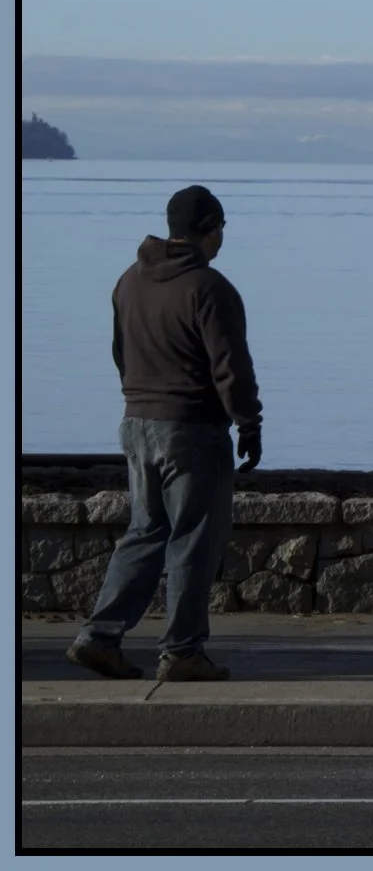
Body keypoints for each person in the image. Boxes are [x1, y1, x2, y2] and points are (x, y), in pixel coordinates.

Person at [66, 185, 263, 683]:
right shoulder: (209, 288)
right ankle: (182, 651)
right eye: (221, 229)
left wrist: (141, 400)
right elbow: (231, 368)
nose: (222, 239)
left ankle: (99, 637)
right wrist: (249, 422)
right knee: (194, 540)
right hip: (192, 428)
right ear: (210, 229)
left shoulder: (128, 282)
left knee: (145, 532)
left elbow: (119, 353)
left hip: (136, 423)